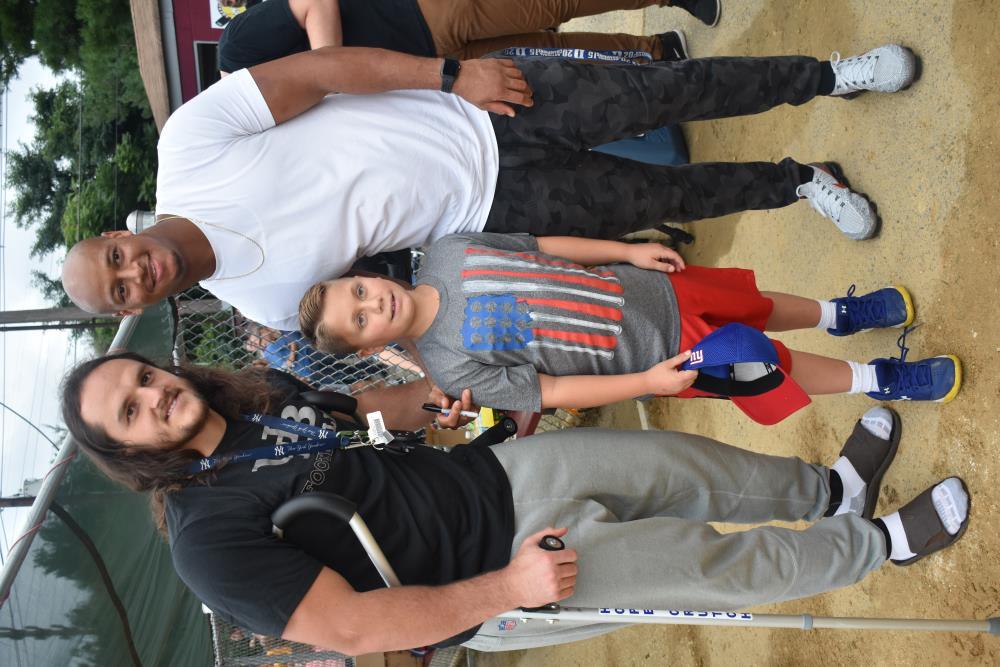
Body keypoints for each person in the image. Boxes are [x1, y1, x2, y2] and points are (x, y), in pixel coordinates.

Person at [61, 352, 970, 652]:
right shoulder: (203, 541)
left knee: (681, 462)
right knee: (710, 564)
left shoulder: (251, 393)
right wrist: (510, 587)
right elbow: (353, 630)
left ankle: (832, 490)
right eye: (131, 412)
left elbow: (368, 416)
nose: (154, 397)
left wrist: (456, 403)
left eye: (143, 377)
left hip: (496, 475)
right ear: (128, 451)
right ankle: (877, 544)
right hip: (508, 572)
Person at [61, 43, 917, 332]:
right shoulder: (266, 304)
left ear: (114, 234)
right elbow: (388, 293)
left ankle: (832, 75)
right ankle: (802, 183)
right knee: (673, 201)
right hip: (491, 213)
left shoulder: (190, 145)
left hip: (480, 111)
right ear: (132, 308)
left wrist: (449, 75)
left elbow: (320, 71)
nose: (136, 271)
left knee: (670, 93)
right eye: (121, 291)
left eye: (116, 257)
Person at [297, 233, 962, 414]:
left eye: (359, 289)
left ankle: (838, 313)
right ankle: (876, 377)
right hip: (661, 354)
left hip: (649, 288)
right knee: (772, 363)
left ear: (368, 272)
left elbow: (542, 247)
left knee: (755, 302)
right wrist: (647, 379)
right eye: (358, 319)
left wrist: (624, 250)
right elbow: (550, 393)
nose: (371, 302)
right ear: (371, 343)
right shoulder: (448, 365)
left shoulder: (447, 250)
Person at [216, 0, 713, 74]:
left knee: (549, 4)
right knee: (546, 50)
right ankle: (657, 50)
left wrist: (333, 69)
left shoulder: (235, 51)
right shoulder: (267, 119)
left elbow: (313, 1)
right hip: (430, 65)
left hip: (419, 10)